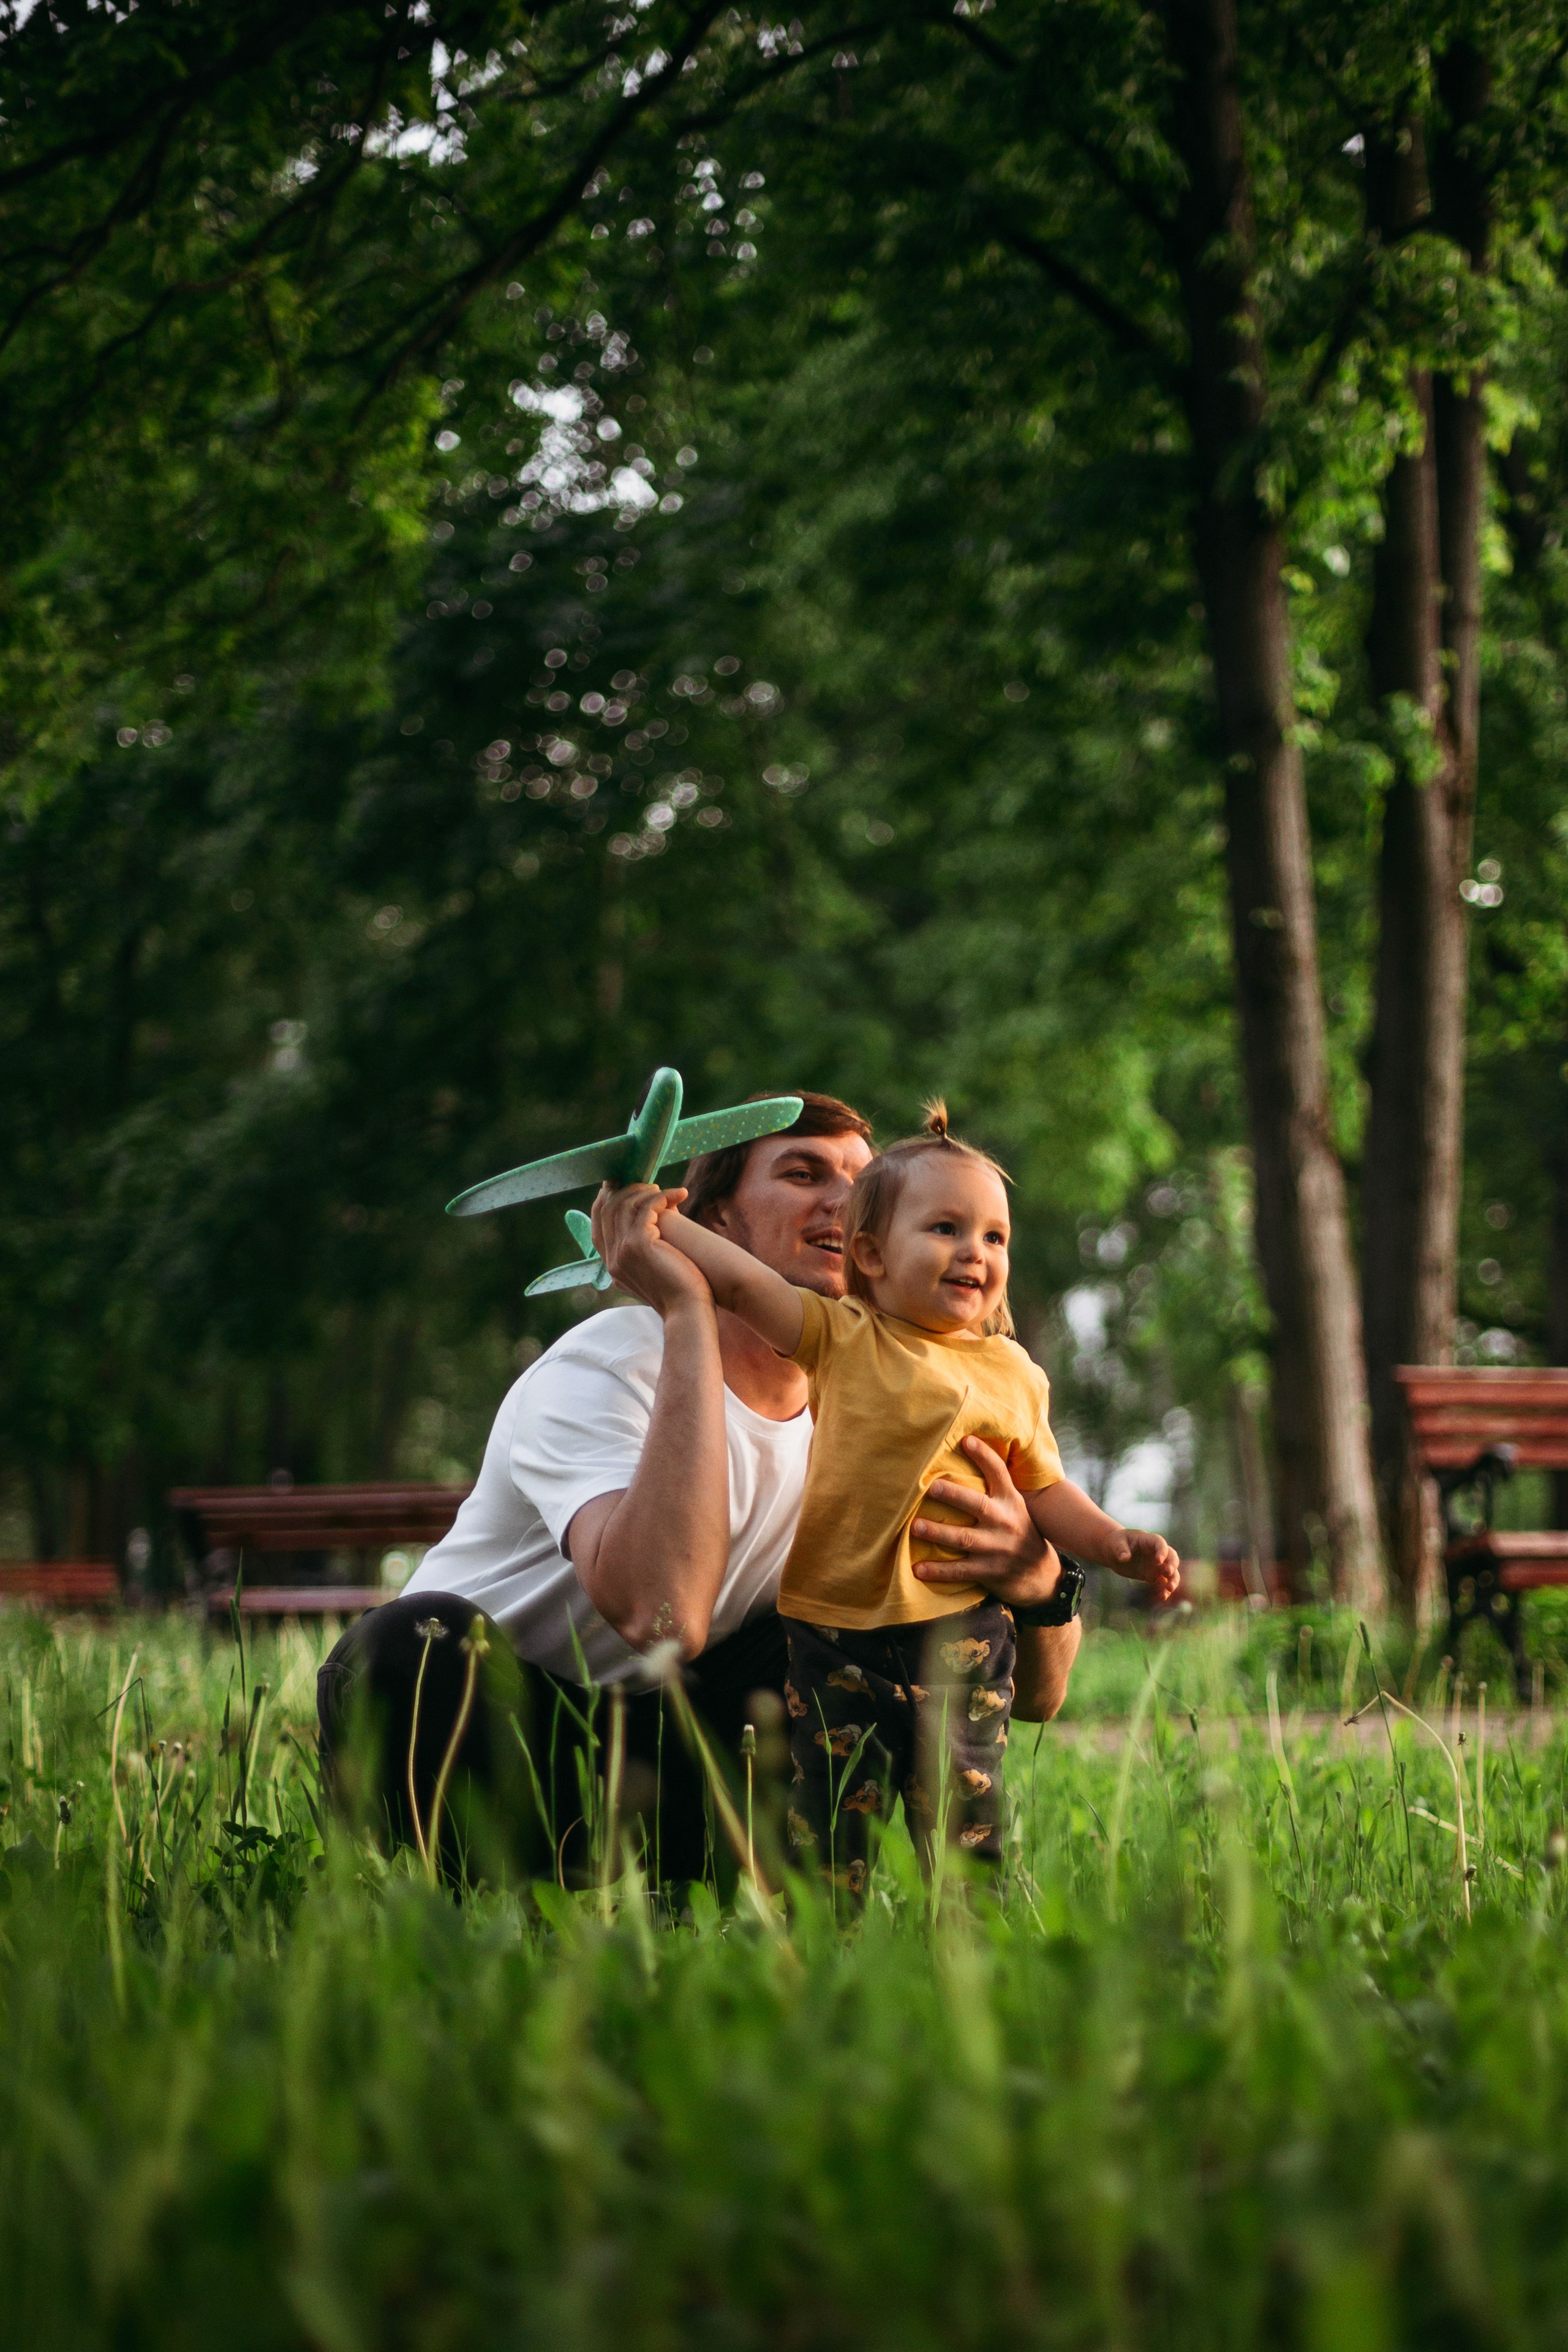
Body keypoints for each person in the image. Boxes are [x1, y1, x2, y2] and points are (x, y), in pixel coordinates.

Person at [317, 1091, 1087, 1884]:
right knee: (412, 1645)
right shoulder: (607, 1364)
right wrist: (687, 1308)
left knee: (848, 1645)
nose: (845, 1197)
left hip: (674, 1749)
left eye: (864, 1179)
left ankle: (726, 1894)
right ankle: (484, 1899)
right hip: (494, 1731)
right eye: (803, 1172)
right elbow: (662, 1618)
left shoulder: (909, 1414)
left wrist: (1038, 1583)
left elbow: (1037, 1698)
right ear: (710, 1221)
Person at [656, 1102, 1180, 1893]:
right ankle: (828, 1952)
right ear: (869, 1252)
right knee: (829, 1823)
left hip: (962, 1632)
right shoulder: (839, 1335)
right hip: (836, 1639)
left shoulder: (1013, 1373)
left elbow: (1043, 1486)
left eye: (993, 1237)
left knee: (965, 1817)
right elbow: (737, 1280)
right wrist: (658, 1219)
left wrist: (1112, 1543)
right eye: (944, 1230)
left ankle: (972, 1953)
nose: (974, 1252)